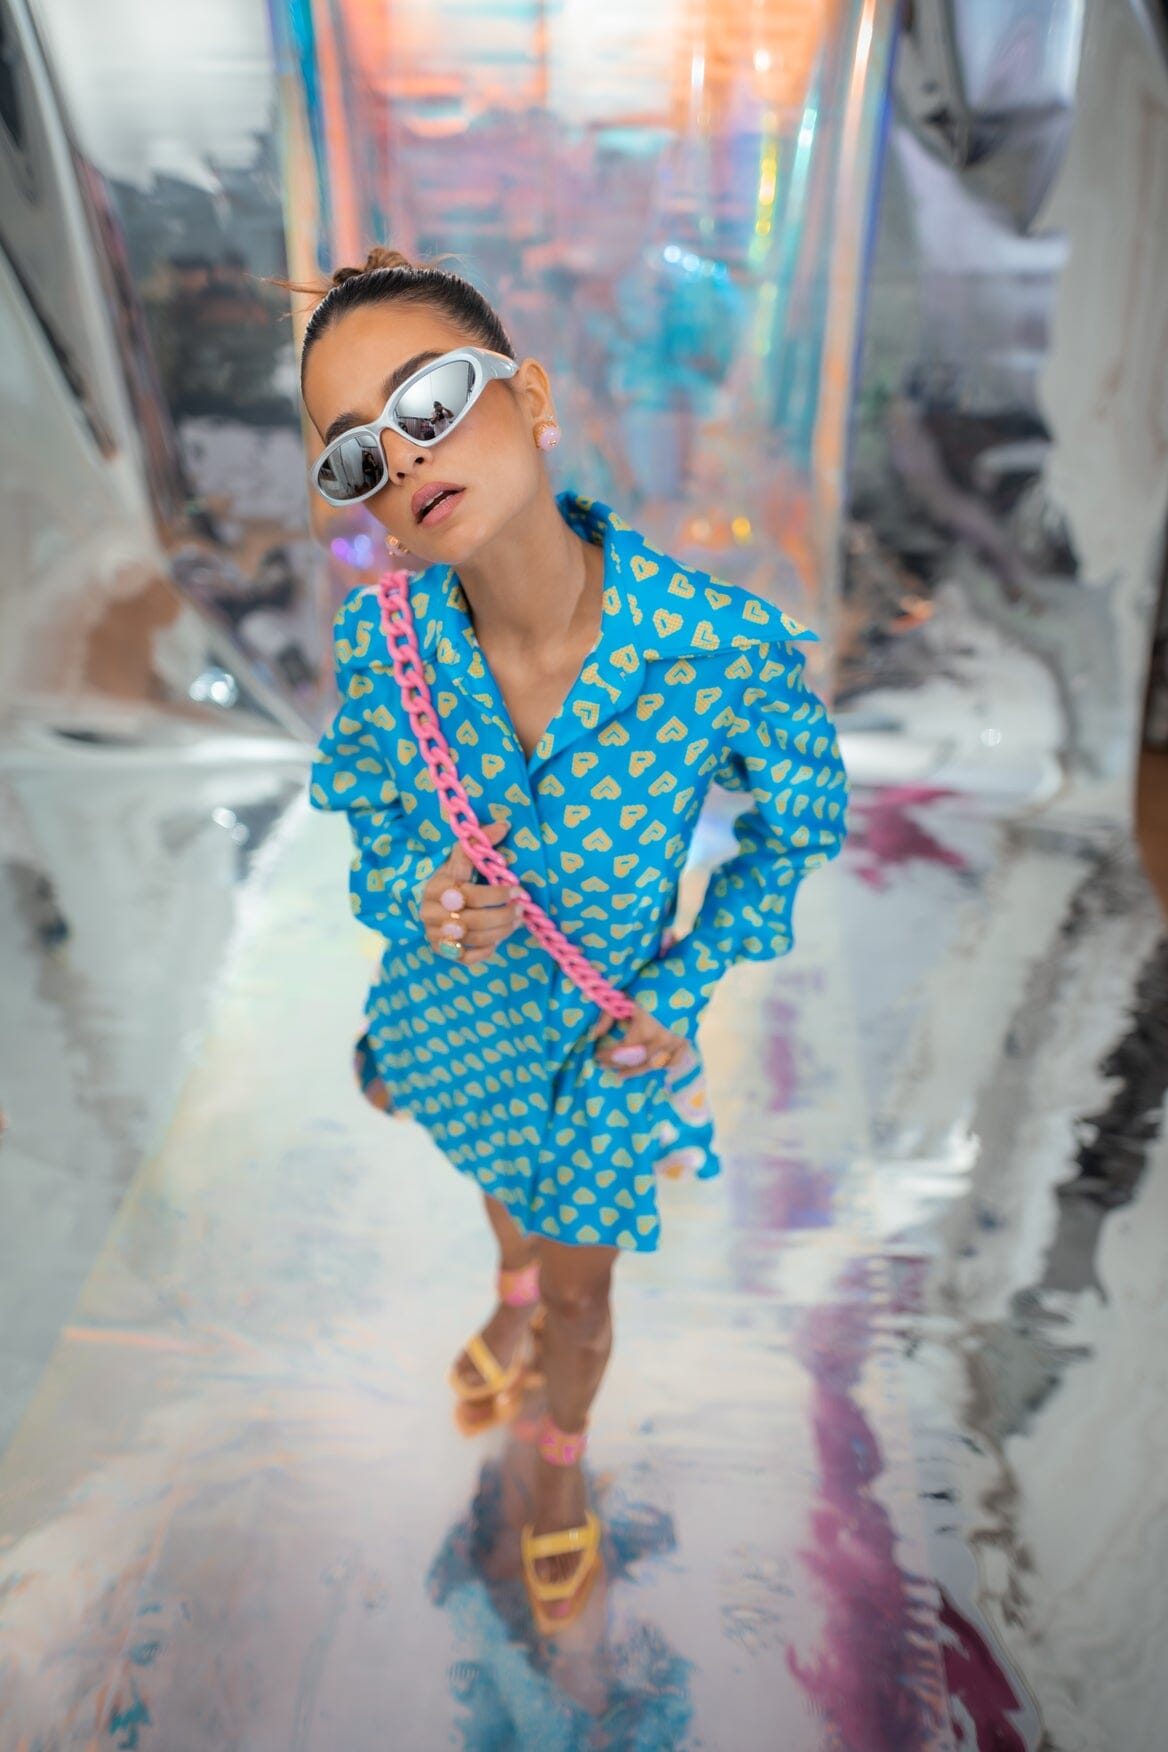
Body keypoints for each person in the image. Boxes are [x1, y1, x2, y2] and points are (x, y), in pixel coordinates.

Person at [294, 245, 850, 1633]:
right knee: (499, 1189)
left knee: (586, 1300)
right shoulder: (384, 651)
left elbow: (798, 826)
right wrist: (423, 889)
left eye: (429, 403)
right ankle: (507, 1293)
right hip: (459, 1017)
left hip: (605, 1049)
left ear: (529, 398)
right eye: (356, 453)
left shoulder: (715, 648)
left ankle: (555, 1459)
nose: (402, 459)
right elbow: (368, 811)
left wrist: (687, 978)